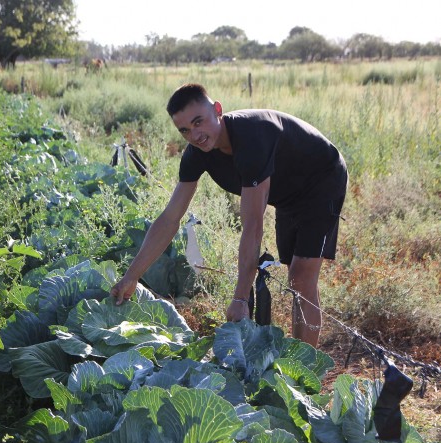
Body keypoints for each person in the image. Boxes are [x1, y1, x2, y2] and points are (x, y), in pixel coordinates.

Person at [110, 83, 348, 347]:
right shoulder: (197, 154)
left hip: (321, 178)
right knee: (294, 275)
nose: (195, 135)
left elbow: (253, 226)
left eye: (199, 122)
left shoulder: (251, 138)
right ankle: (300, 356)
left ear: (218, 110)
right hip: (287, 193)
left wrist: (240, 299)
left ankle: (306, 365)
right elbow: (170, 218)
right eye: (185, 130)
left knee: (302, 275)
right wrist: (132, 275)